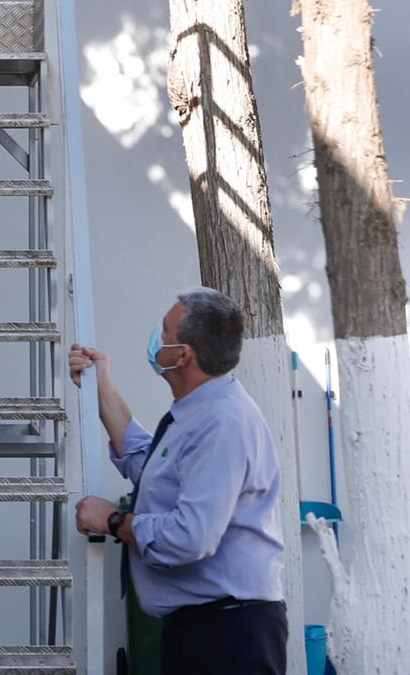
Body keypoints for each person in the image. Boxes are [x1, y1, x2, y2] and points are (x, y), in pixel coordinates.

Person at [70, 287, 287, 674]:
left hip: (228, 637)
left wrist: (113, 522)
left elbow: (191, 537)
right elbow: (147, 464)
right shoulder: (199, 415)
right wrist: (100, 385)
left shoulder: (223, 423)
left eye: (165, 331)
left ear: (183, 355)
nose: (157, 335)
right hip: (204, 630)